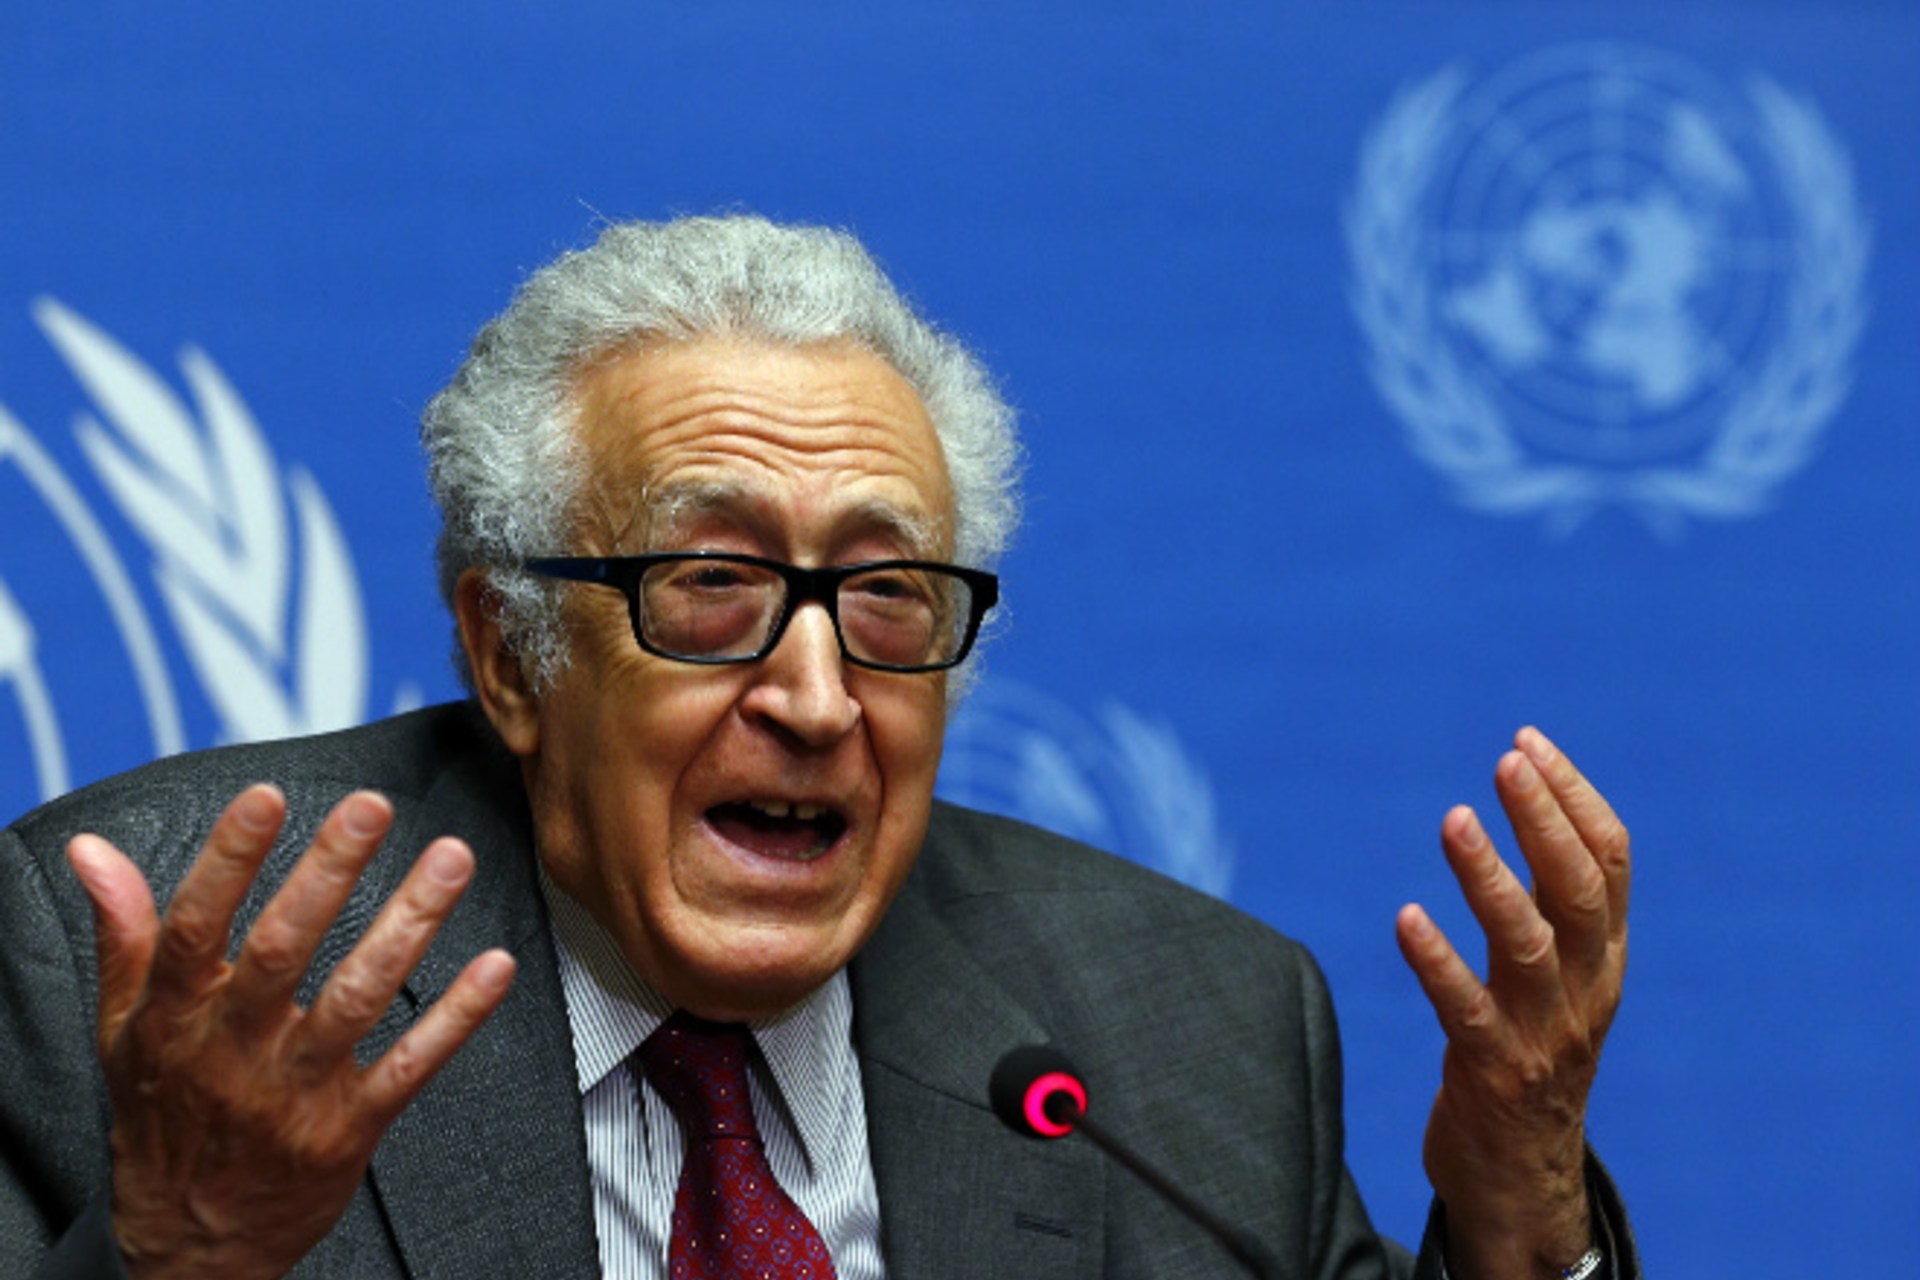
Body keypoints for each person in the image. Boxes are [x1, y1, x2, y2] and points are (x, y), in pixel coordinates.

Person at [0, 215, 1636, 1280]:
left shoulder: (1191, 1034)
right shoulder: (125, 967)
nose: (816, 693)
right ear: (512, 653)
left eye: (886, 594)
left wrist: (1519, 1217)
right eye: (709, 585)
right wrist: (178, 1258)